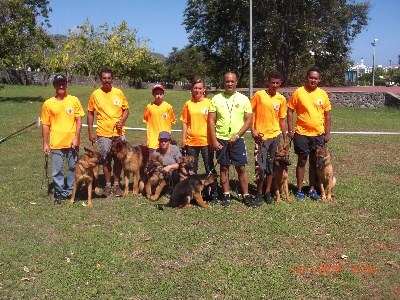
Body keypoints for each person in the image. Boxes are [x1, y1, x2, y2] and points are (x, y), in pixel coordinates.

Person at [208, 71, 254, 207]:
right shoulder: (216, 99)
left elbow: (248, 121)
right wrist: (214, 140)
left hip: (238, 139)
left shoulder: (244, 99)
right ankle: (226, 194)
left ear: (236, 82)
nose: (229, 83)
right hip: (221, 138)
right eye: (227, 81)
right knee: (224, 167)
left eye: (232, 81)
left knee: (241, 168)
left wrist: (238, 136)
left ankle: (246, 195)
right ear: (224, 82)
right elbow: (211, 121)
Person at [287, 67, 332, 201]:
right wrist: (290, 130)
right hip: (301, 134)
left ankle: (312, 189)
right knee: (302, 161)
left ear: (319, 80)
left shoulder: (322, 94)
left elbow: (327, 115)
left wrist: (327, 133)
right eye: (311, 77)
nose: (313, 80)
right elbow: (290, 111)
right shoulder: (299, 92)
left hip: (318, 135)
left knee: (315, 163)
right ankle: (300, 190)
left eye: (316, 78)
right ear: (307, 78)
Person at [41, 74, 85, 204]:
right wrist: (45, 143)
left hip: (72, 142)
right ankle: (59, 193)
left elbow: (79, 120)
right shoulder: (48, 104)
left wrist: (76, 137)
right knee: (57, 170)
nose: (61, 85)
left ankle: (71, 191)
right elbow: (45, 124)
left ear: (66, 84)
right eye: (58, 83)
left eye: (63, 83)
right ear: (54, 85)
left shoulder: (74, 100)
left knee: (73, 168)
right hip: (56, 142)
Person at [87, 68, 129, 197]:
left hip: (118, 133)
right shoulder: (95, 94)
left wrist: (122, 121)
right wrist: (90, 132)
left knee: (118, 159)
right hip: (103, 133)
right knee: (106, 159)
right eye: (104, 78)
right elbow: (90, 113)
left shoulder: (119, 93)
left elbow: (126, 110)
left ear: (112, 79)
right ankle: (107, 185)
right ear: (100, 79)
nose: (107, 80)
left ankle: (116, 185)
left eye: (109, 78)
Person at [251, 70, 288, 206]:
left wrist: (284, 139)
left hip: (275, 137)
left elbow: (282, 120)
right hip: (261, 137)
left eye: (277, 83)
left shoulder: (281, 99)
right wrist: (253, 130)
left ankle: (268, 193)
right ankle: (259, 193)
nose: (274, 85)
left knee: (271, 166)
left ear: (280, 83)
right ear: (268, 82)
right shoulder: (259, 95)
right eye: (272, 82)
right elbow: (249, 113)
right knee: (260, 167)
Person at [180, 77, 218, 202]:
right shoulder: (188, 104)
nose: (197, 90)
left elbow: (214, 122)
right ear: (192, 89)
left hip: (206, 142)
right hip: (191, 142)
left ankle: (213, 194)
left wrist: (213, 140)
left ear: (204, 89)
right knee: (192, 171)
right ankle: (193, 194)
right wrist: (183, 139)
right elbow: (185, 123)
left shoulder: (209, 102)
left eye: (200, 88)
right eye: (195, 88)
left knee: (209, 168)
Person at [142, 84, 176, 153]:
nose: (159, 96)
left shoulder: (168, 107)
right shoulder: (149, 107)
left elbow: (172, 120)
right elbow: (146, 119)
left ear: (163, 94)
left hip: (165, 139)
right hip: (153, 139)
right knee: (153, 160)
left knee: (166, 160)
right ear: (153, 95)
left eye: (160, 93)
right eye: (156, 93)